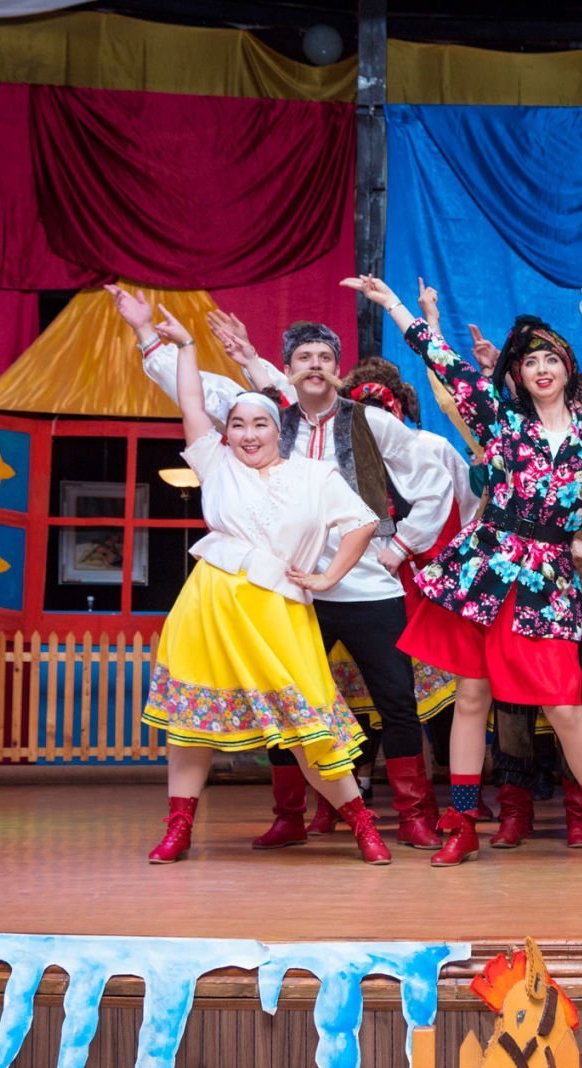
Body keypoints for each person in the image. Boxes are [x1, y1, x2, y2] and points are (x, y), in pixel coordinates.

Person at [114, 286, 455, 854]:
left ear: (338, 367)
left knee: (396, 700)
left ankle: (413, 816)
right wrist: (152, 336)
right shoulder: (267, 421)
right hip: (285, 591)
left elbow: (434, 477)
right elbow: (198, 395)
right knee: (282, 702)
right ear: (288, 371)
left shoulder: (372, 422)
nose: (314, 366)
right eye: (303, 358)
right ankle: (290, 815)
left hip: (365, 585)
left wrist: (400, 548)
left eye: (325, 357)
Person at [342, 273, 582, 870]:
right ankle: (462, 824)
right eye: (530, 361)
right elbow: (447, 364)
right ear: (517, 373)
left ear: (567, 368)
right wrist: (395, 306)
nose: (541, 369)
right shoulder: (502, 421)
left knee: (564, 705)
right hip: (486, 567)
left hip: (550, 579)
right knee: (471, 695)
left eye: (551, 359)